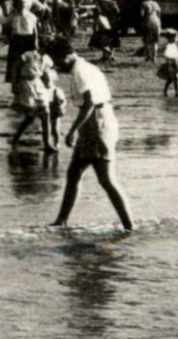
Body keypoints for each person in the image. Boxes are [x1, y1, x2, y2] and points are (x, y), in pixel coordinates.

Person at [46, 38, 133, 231]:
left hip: (98, 124)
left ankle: (129, 226)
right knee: (74, 173)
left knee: (106, 179)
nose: (57, 65)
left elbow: (90, 104)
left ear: (67, 56)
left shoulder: (81, 72)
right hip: (95, 122)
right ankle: (61, 221)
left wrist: (72, 131)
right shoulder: (85, 68)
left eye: (57, 60)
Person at [10, 48, 61, 151]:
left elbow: (46, 73)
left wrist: (48, 84)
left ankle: (47, 144)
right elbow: (15, 67)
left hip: (38, 84)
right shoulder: (28, 55)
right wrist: (14, 84)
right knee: (31, 116)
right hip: (25, 84)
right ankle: (16, 138)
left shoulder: (47, 59)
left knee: (46, 112)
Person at [158, 28, 178, 98]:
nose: (176, 39)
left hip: (176, 62)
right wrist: (170, 60)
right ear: (171, 38)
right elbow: (166, 54)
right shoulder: (168, 46)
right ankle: (174, 91)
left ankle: (176, 91)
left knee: (176, 77)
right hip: (171, 64)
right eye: (174, 38)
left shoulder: (174, 46)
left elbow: (177, 54)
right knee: (173, 78)